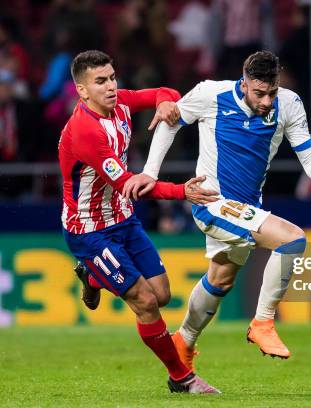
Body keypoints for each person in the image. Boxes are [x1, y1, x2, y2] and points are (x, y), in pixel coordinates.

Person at [125, 51, 311, 370]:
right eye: (259, 93)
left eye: (271, 92)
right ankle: (263, 324)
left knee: (220, 280)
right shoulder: (210, 94)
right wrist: (150, 172)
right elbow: (170, 122)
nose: (267, 101)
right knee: (292, 240)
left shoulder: (290, 103)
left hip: (245, 208)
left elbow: (307, 152)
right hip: (211, 203)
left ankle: (183, 341)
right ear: (244, 84)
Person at [59, 50, 219, 394]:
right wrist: (182, 192)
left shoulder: (120, 105)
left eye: (113, 77)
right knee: (144, 301)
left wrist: (165, 102)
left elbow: (165, 92)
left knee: (161, 295)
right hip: (89, 231)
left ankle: (93, 277)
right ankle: (182, 378)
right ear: (82, 91)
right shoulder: (85, 132)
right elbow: (130, 186)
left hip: (123, 220)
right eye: (101, 81)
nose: (111, 86)